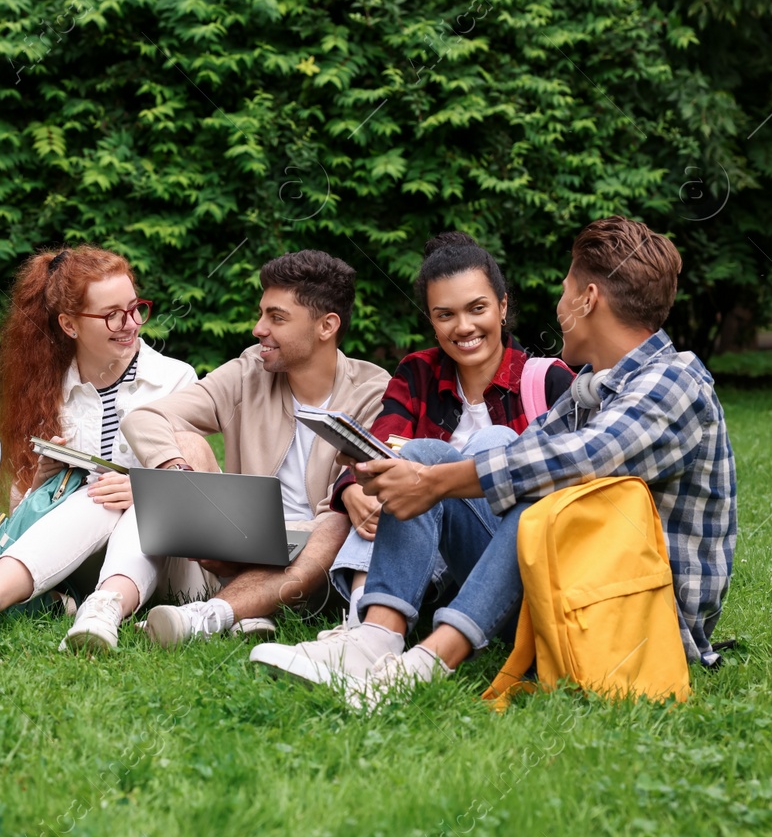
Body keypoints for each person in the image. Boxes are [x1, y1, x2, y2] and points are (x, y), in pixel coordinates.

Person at [254, 217, 736, 709]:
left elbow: (575, 459)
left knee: (538, 494)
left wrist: (437, 483)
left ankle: (423, 665)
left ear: (588, 299)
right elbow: (518, 455)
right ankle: (374, 640)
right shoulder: (590, 390)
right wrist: (416, 473)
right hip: (565, 600)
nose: (559, 303)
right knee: (423, 452)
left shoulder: (675, 382)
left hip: (640, 624)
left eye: (565, 290)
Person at [291, 233, 574, 667]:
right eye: (446, 315)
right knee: (408, 461)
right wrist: (350, 485)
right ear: (432, 319)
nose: (463, 327)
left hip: (522, 571)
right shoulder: (418, 374)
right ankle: (367, 630)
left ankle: (369, 632)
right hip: (429, 565)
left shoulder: (547, 380)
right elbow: (382, 446)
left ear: (502, 305)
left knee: (487, 444)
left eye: (477, 308)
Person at [110, 250, 392, 648]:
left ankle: (212, 614)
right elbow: (145, 418)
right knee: (186, 441)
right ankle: (247, 608)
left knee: (337, 520)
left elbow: (366, 489)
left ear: (327, 326)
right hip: (236, 546)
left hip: (317, 566)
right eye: (262, 314)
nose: (259, 329)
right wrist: (180, 475)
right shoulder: (249, 371)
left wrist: (278, 537)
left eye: (276, 318)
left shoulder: (372, 390)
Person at [0, 246, 198, 652]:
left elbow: (202, 488)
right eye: (112, 314)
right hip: (75, 560)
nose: (130, 324)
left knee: (121, 498)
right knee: (97, 496)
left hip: (170, 561)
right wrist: (40, 480)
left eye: (135, 308)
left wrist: (146, 493)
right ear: (69, 325)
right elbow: (21, 515)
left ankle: (104, 608)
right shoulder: (49, 392)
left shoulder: (175, 379)